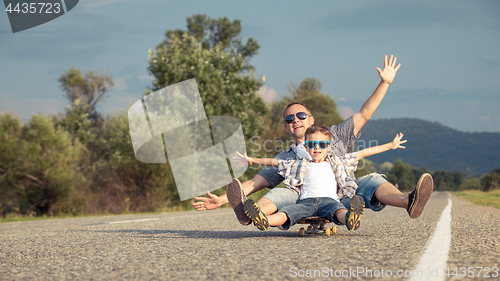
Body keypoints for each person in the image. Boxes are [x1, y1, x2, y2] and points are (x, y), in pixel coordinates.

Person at [192, 54, 434, 225]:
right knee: (277, 194)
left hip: (343, 193)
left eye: (300, 115)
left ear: (311, 119)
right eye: (289, 119)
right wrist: (222, 200)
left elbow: (364, 114)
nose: (295, 120)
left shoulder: (335, 136)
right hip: (302, 197)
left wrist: (384, 83)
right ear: (287, 128)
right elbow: (252, 184)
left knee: (372, 179)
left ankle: (409, 201)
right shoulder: (286, 158)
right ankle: (250, 214)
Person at [234, 126, 407, 231]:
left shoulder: (338, 162)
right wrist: (251, 160)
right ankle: (264, 220)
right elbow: (275, 162)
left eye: (322, 144)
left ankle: (351, 218)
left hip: (330, 200)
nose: (317, 148)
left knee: (338, 211)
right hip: (306, 201)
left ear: (329, 146)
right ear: (306, 147)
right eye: (311, 144)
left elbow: (363, 152)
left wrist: (390, 146)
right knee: (288, 213)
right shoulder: (299, 164)